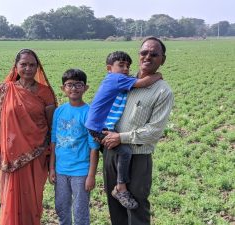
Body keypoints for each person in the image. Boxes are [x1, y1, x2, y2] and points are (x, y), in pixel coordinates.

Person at [102, 37, 174, 225]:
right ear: (139, 55)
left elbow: (154, 131)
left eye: (154, 54)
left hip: (137, 156)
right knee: (115, 207)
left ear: (162, 60)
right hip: (111, 151)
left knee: (137, 208)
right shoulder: (123, 81)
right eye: (144, 52)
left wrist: (121, 137)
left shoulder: (162, 91)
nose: (148, 57)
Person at [85, 51, 162, 209]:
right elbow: (143, 83)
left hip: (97, 125)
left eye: (128, 66)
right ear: (109, 68)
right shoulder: (115, 78)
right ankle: (120, 188)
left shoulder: (119, 78)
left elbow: (136, 80)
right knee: (125, 152)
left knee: (116, 153)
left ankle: (118, 186)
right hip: (99, 127)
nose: (126, 68)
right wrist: (158, 75)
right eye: (121, 65)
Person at [0, 49, 57, 225]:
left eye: (32, 65)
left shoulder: (45, 92)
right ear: (16, 66)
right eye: (24, 64)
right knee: (10, 200)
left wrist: (52, 159)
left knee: (33, 202)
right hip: (10, 156)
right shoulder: (6, 90)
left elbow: (53, 128)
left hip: (37, 155)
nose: (28, 68)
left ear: (38, 67)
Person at [49, 69, 99, 225]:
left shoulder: (89, 112)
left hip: (81, 171)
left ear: (86, 88)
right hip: (60, 170)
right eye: (69, 85)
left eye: (78, 84)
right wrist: (52, 168)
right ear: (63, 88)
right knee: (61, 208)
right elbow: (53, 141)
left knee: (80, 211)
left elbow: (94, 147)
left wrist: (91, 175)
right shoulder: (59, 111)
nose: (74, 88)